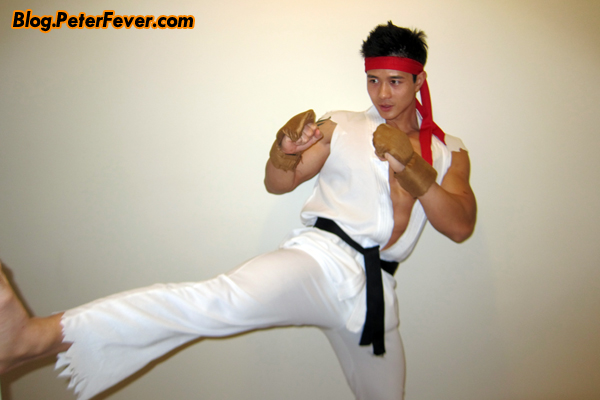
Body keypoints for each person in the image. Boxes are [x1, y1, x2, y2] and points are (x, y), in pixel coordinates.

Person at [0, 22, 476, 400]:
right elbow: (277, 184)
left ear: (419, 80)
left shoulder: (449, 151)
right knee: (217, 300)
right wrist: (284, 152)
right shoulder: (341, 125)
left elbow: (459, 226)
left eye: (395, 82)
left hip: (375, 290)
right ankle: (38, 336)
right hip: (319, 261)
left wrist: (412, 166)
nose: (382, 94)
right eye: (373, 80)